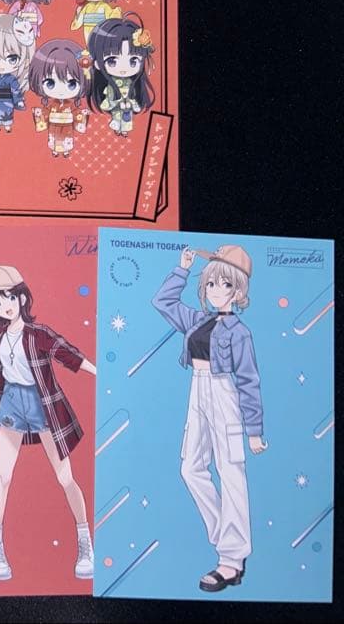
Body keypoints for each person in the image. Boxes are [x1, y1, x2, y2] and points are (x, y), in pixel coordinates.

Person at [0, 265, 95, 582]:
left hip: (42, 405)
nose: (4, 306)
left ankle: (85, 542)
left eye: (9, 297)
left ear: (22, 297)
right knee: (2, 477)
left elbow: (69, 355)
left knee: (65, 477)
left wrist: (100, 373)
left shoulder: (38, 334)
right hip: (11, 403)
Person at [152, 245, 267, 592]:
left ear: (239, 291)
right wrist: (182, 269)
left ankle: (231, 562)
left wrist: (254, 430)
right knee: (191, 467)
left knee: (230, 471)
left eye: (225, 284)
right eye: (212, 283)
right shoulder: (199, 320)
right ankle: (224, 536)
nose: (216, 290)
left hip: (224, 392)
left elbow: (248, 380)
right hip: (197, 389)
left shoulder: (240, 333)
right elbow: (163, 303)